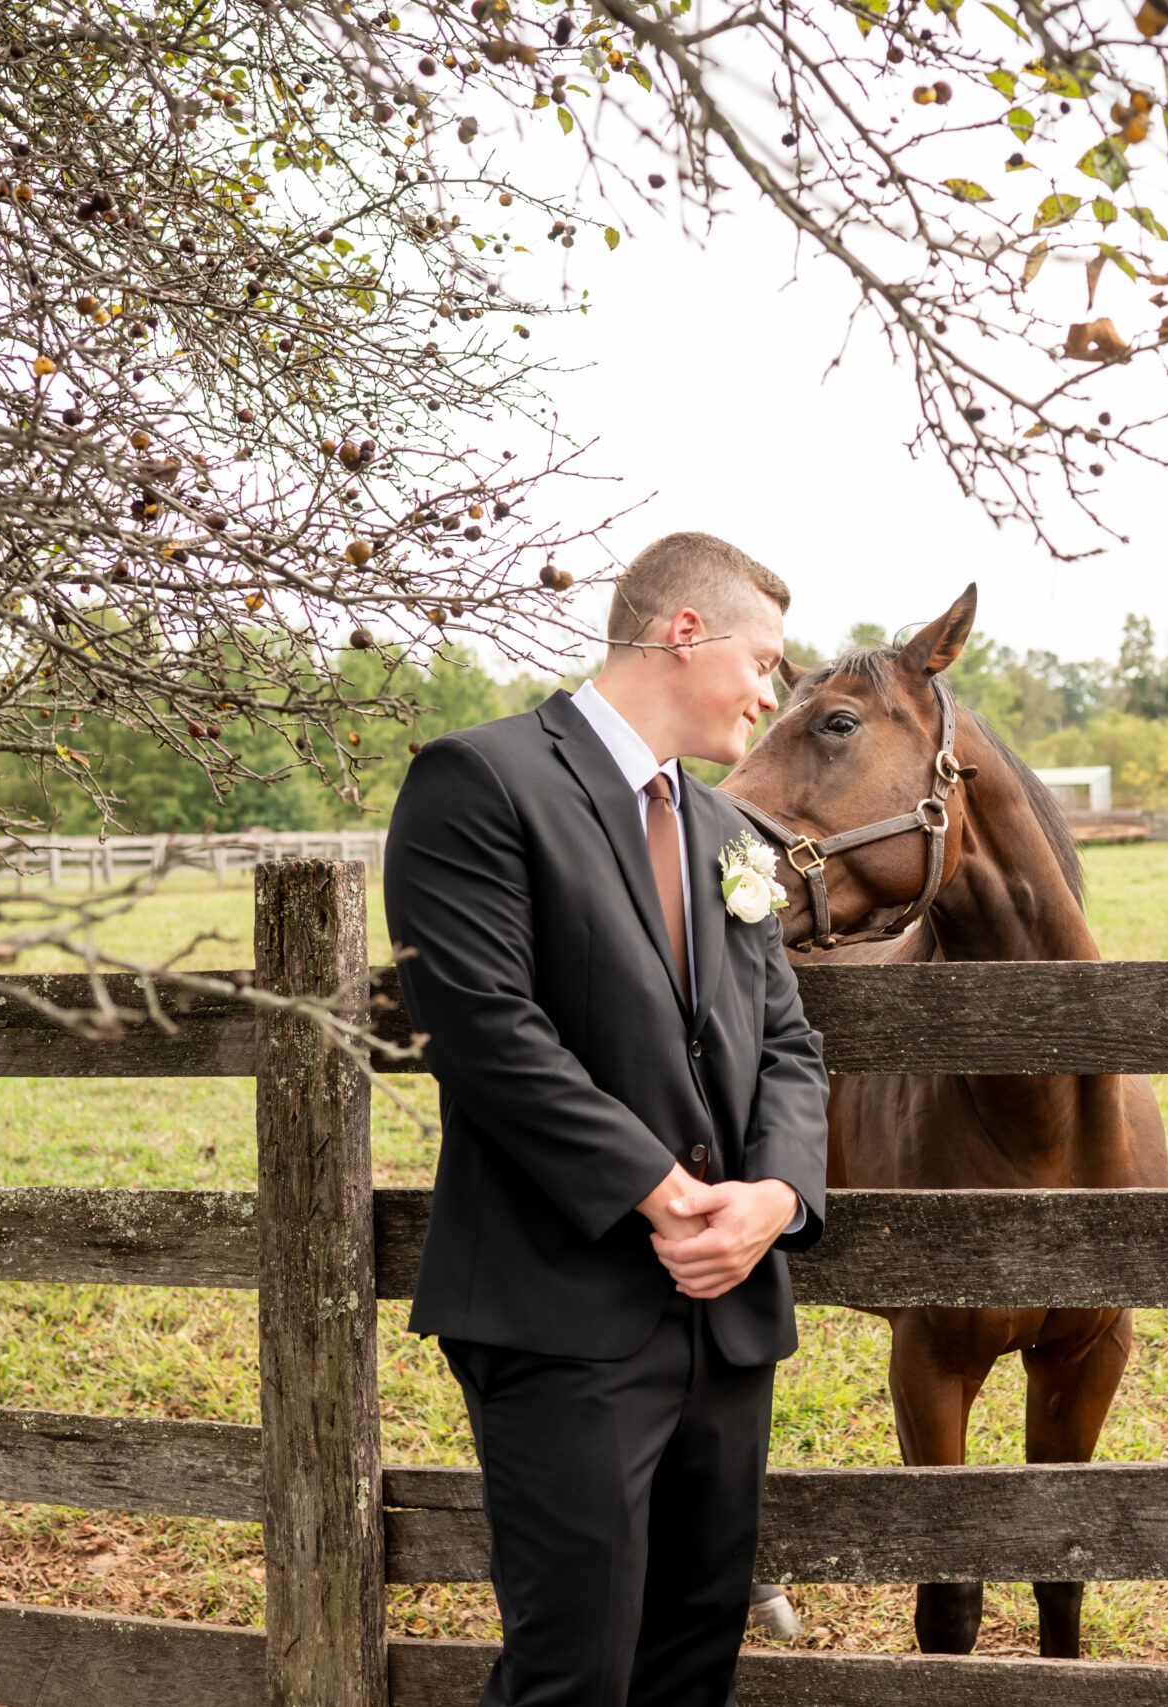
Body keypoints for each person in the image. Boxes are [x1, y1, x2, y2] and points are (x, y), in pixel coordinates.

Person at [383, 531, 830, 1707]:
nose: (770, 693)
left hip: (725, 1314)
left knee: (693, 1660)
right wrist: (667, 1197)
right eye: (764, 662)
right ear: (685, 633)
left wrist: (774, 1199)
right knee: (571, 1672)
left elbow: (788, 1042)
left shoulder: (729, 834)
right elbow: (483, 1028)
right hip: (560, 1308)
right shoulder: (480, 782)